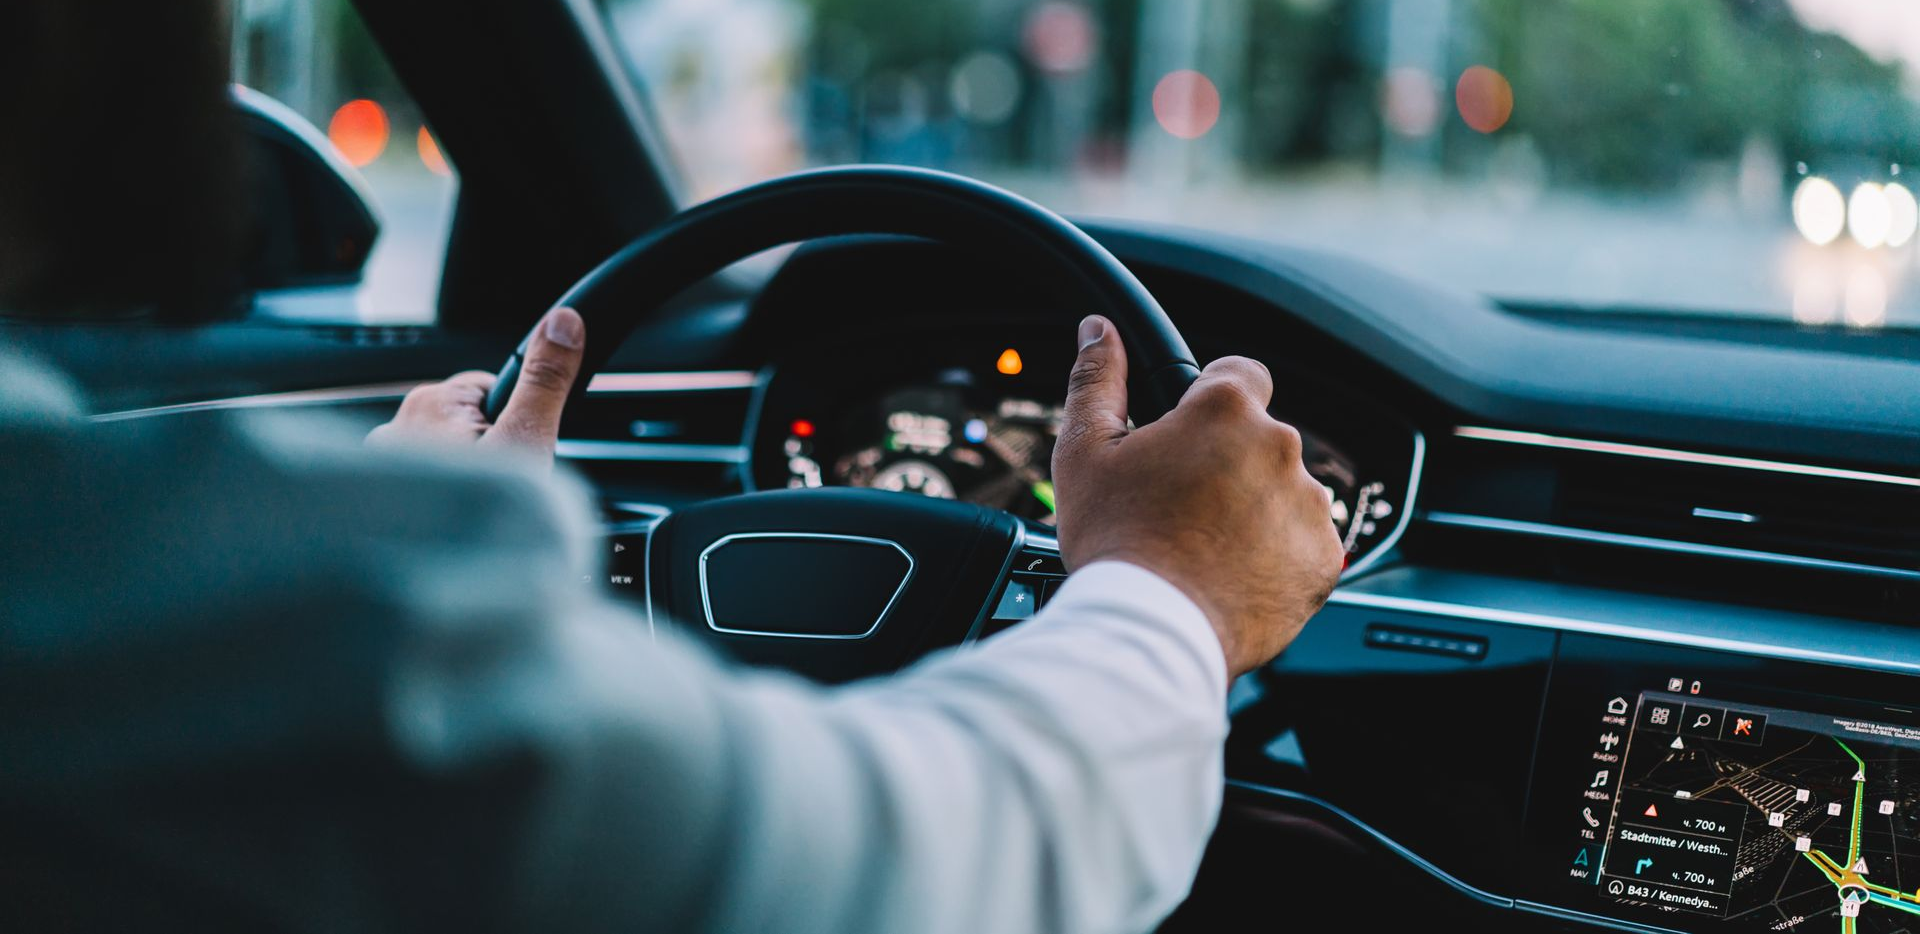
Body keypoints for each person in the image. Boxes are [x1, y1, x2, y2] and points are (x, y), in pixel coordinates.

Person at [0, 2, 1344, 931]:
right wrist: (1172, 588)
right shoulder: (241, 616)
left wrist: (354, 557)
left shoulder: (141, 592)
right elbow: (913, 881)